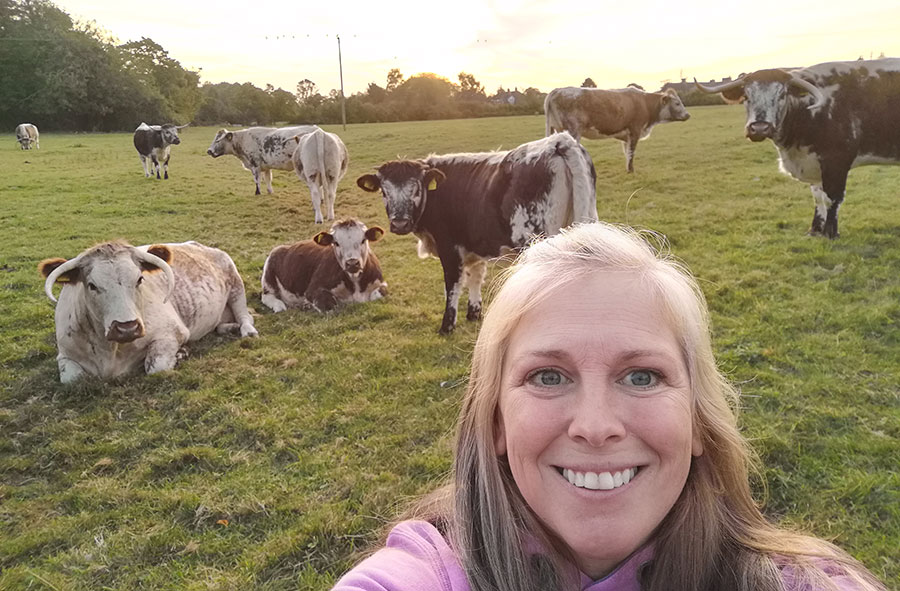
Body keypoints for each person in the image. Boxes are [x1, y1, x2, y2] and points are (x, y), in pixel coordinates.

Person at [332, 222, 886, 591]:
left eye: (642, 376)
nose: (595, 428)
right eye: (547, 376)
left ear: (697, 419)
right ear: (495, 420)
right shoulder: (423, 573)